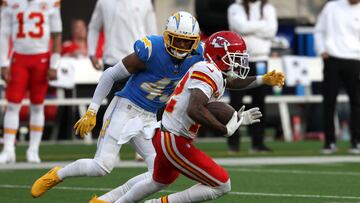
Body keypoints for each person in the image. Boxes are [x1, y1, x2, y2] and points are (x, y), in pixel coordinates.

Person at [30, 11, 204, 198]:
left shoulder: (198, 56)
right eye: (178, 40)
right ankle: (57, 174)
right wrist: (92, 111)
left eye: (187, 41)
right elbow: (110, 74)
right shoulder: (151, 50)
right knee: (101, 166)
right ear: (167, 37)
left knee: (158, 174)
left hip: (149, 117)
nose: (183, 46)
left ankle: (107, 200)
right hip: (125, 108)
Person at [110, 31, 284, 203]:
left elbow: (231, 82)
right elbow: (194, 109)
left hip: (167, 135)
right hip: (174, 139)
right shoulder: (208, 71)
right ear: (218, 56)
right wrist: (226, 129)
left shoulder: (213, 71)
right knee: (222, 184)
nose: (238, 62)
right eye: (234, 57)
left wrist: (261, 80)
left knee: (159, 181)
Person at [0, 0, 62, 164]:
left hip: (41, 58)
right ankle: (8, 149)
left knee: (37, 105)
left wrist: (54, 64)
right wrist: (3, 62)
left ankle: (33, 149)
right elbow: (3, 32)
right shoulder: (10, 2)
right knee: (12, 104)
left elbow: (56, 35)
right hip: (18, 58)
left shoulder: (50, 3)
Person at [87, 0, 158, 142]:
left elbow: (153, 33)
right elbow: (94, 27)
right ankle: (107, 146)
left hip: (139, 60)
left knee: (144, 107)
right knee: (112, 108)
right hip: (113, 60)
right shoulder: (104, 2)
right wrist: (91, 52)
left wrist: (154, 60)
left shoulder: (144, 2)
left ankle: (142, 149)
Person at [227, 0, 278, 153]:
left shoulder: (268, 8)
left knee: (260, 102)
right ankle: (233, 143)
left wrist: (250, 28)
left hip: (261, 59)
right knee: (236, 102)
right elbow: (240, 27)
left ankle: (258, 143)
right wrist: (262, 25)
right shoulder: (235, 7)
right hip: (239, 60)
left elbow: (272, 31)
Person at [314, 0, 360, 154]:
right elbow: (319, 30)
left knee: (357, 102)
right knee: (329, 101)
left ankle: (356, 141)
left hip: (355, 60)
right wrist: (322, 49)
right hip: (332, 59)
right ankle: (329, 142)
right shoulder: (332, 6)